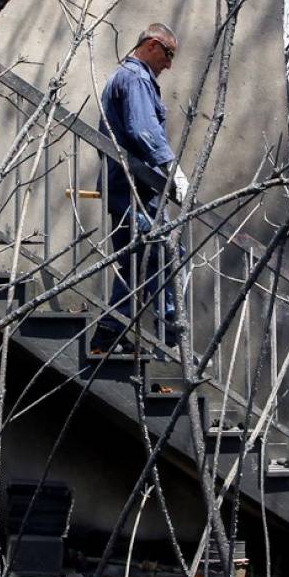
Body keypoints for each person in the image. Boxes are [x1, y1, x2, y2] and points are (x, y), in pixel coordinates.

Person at [89, 23, 188, 355]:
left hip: (127, 189)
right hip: (133, 190)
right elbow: (143, 130)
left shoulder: (130, 78)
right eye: (169, 54)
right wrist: (172, 169)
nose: (169, 64)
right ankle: (172, 333)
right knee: (163, 252)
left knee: (137, 264)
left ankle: (109, 333)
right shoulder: (136, 78)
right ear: (152, 45)